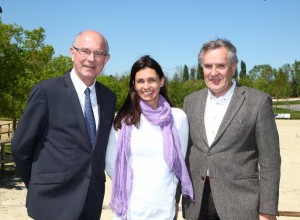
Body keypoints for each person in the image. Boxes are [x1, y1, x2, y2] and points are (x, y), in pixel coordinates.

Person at [12, 30, 116, 220]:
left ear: (106, 59)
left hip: (91, 203)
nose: (91, 59)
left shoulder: (109, 98)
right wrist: (39, 185)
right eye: (84, 51)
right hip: (52, 203)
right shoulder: (46, 92)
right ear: (72, 52)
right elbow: (21, 148)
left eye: (98, 53)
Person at [179, 38, 281, 220]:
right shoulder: (190, 101)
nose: (213, 73)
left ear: (233, 67)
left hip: (240, 205)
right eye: (208, 66)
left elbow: (270, 161)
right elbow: (185, 155)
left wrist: (267, 210)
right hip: (197, 204)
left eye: (220, 66)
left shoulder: (257, 102)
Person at [105, 55, 194, 220]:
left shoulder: (178, 118)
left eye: (151, 80)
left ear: (161, 81)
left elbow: (179, 162)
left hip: (164, 210)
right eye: (140, 81)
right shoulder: (122, 122)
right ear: (134, 84)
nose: (146, 86)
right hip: (130, 211)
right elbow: (112, 165)